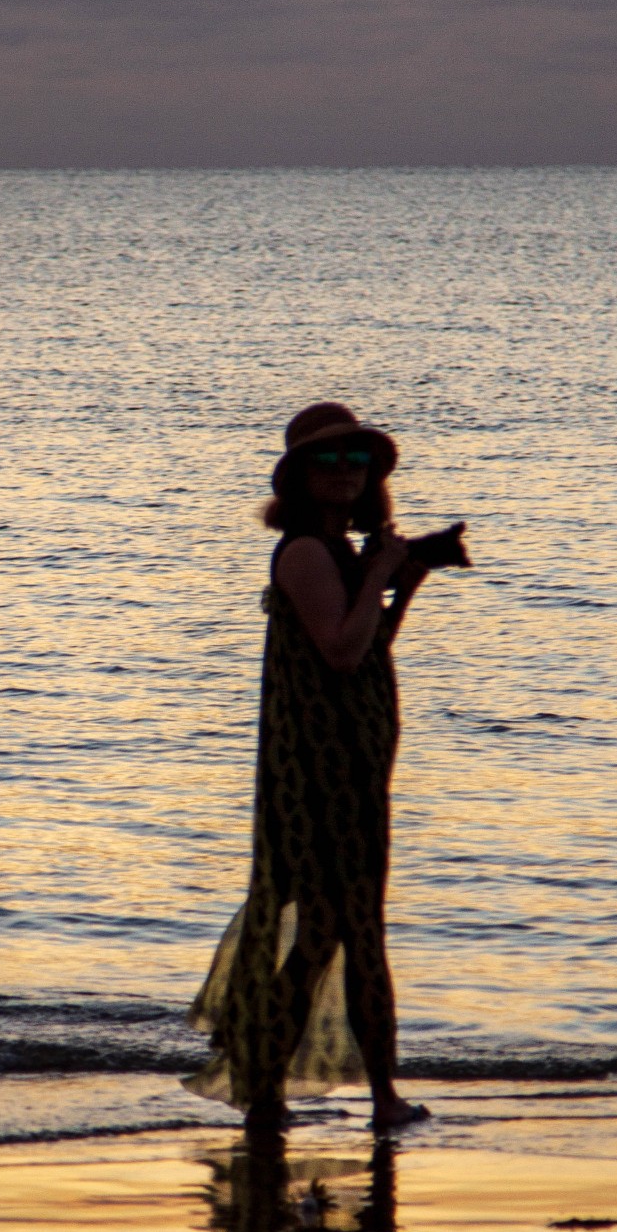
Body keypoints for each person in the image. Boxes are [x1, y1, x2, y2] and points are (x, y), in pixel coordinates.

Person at [187, 401, 455, 1134]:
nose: (344, 474)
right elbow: (339, 650)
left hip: (354, 768)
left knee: (330, 937)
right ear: (298, 477)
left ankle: (275, 1092)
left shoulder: (341, 553)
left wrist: (406, 575)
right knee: (347, 933)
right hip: (318, 776)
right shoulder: (305, 551)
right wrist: (381, 573)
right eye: (327, 462)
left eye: (356, 461)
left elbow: (369, 645)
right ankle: (365, 1098)